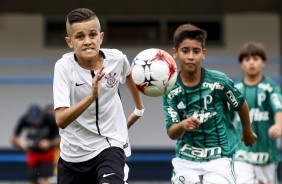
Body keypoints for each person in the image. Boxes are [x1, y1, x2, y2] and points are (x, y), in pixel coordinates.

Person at [52, 8, 144, 184]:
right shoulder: (63, 67)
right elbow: (61, 119)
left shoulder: (117, 59)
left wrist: (139, 109)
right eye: (80, 37)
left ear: (101, 37)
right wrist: (91, 96)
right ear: (69, 42)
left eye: (92, 35)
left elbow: (128, 76)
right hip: (73, 154)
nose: (87, 41)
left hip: (109, 145)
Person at [162, 23, 257, 184]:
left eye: (196, 51)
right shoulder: (170, 88)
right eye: (185, 51)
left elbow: (240, 104)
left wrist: (247, 132)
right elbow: (172, 133)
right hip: (187, 157)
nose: (191, 56)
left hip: (219, 156)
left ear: (203, 54)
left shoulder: (219, 81)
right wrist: (182, 125)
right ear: (175, 53)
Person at [233, 42, 282, 184]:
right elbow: (225, 117)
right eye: (247, 59)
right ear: (241, 64)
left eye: (255, 59)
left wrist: (278, 125)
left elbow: (279, 108)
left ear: (263, 62)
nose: (251, 63)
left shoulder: (270, 87)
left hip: (266, 154)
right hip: (241, 154)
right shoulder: (236, 89)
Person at [11, 104, 60, 184]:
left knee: (45, 180)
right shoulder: (24, 119)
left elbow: (60, 139)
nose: (35, 125)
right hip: (32, 153)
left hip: (47, 153)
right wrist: (19, 141)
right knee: (33, 180)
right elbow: (13, 139)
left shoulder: (49, 119)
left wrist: (50, 143)